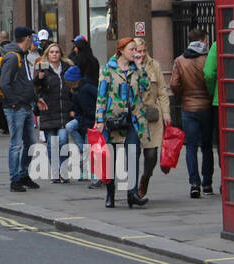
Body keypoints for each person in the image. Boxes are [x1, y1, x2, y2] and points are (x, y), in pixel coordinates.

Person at [96, 37, 150, 208]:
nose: (135, 52)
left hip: (133, 119)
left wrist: (140, 67)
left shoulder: (136, 69)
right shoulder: (108, 69)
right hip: (113, 119)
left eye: (136, 49)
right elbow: (101, 95)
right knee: (110, 159)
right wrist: (99, 119)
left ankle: (132, 194)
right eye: (131, 49)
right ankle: (110, 193)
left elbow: (146, 87)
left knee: (133, 154)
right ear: (121, 50)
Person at [171, 29, 215, 198]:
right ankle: (208, 183)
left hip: (188, 108)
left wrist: (183, 96)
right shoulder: (208, 59)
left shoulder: (180, 61)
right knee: (207, 146)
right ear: (203, 40)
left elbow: (174, 84)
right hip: (206, 107)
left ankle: (194, 184)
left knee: (190, 147)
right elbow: (212, 77)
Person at [0, 27, 39, 191]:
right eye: (32, 38)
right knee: (16, 144)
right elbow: (4, 85)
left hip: (26, 106)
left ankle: (23, 175)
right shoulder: (13, 58)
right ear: (27, 38)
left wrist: (36, 99)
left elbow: (27, 82)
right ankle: (14, 179)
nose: (34, 41)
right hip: (15, 108)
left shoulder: (23, 56)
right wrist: (15, 103)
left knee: (31, 143)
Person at [131, 37, 170, 202]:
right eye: (137, 51)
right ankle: (132, 190)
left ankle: (145, 177)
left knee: (152, 154)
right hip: (133, 115)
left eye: (143, 51)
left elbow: (161, 91)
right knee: (133, 152)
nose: (140, 54)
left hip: (152, 115)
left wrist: (166, 113)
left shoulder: (154, 65)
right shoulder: (126, 65)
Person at [35, 41, 73, 181]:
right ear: (47, 54)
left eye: (57, 52)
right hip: (48, 111)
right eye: (51, 52)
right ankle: (55, 172)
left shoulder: (67, 68)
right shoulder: (42, 68)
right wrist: (38, 79)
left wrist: (73, 108)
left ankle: (63, 171)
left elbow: (73, 88)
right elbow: (34, 87)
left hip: (64, 112)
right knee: (52, 143)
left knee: (63, 141)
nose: (54, 54)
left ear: (60, 54)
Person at [62, 64, 97, 178]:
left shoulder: (87, 87)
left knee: (89, 147)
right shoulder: (75, 91)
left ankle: (89, 171)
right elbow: (76, 106)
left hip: (91, 119)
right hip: (82, 117)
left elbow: (99, 98)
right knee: (69, 126)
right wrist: (74, 111)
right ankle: (81, 148)